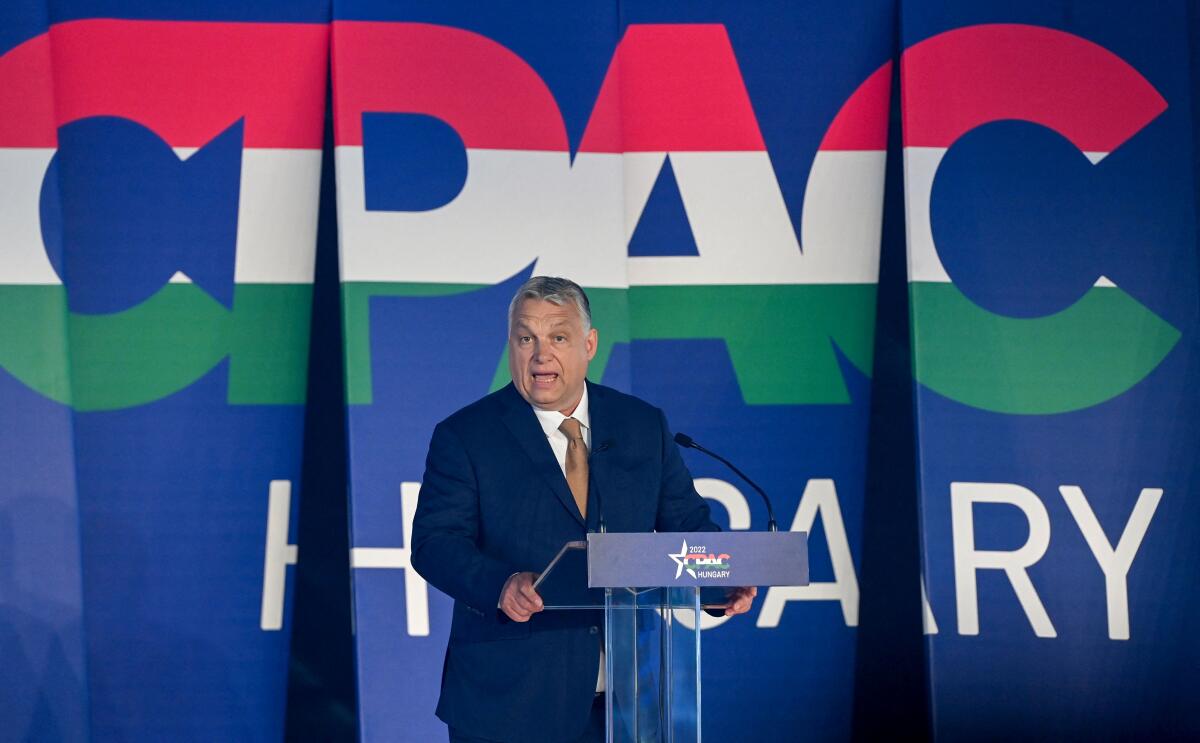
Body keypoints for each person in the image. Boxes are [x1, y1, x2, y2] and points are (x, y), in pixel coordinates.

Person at [411, 276, 756, 743]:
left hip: (627, 704)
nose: (540, 354)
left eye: (558, 336)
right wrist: (501, 584)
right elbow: (435, 543)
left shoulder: (641, 425)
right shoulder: (466, 436)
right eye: (525, 337)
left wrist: (721, 577)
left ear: (589, 344)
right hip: (509, 702)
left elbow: (688, 526)